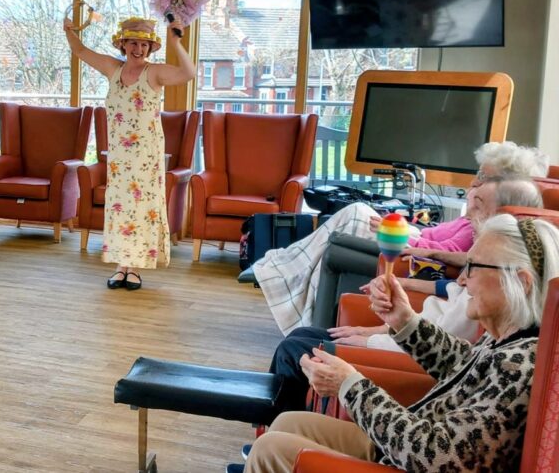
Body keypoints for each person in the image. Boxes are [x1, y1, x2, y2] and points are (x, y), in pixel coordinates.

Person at [239, 213, 558, 472]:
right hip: (405, 446)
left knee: (271, 450)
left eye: (473, 268)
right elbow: (460, 364)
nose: (461, 279)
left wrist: (350, 385)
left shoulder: (520, 366)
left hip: (416, 456)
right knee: (287, 422)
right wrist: (404, 321)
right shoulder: (514, 340)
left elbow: (438, 457)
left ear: (521, 281)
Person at [264, 177, 544, 414]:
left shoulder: (512, 365)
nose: (459, 276)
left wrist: (353, 377)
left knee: (294, 349)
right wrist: (398, 320)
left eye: (470, 267)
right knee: (300, 337)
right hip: (406, 348)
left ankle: (278, 271)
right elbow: (451, 343)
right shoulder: (493, 330)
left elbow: (429, 447)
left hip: (398, 371)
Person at [253, 141, 549, 333]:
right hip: (414, 238)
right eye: (478, 174)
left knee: (355, 212)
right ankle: (281, 269)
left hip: (411, 246)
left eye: (484, 177)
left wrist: (413, 244)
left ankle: (280, 270)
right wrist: (402, 225)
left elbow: (446, 249)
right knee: (353, 214)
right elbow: (437, 235)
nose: (475, 181)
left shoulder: (488, 232)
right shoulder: (474, 215)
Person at [63, 16, 196, 290]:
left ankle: (134, 267)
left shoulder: (155, 72)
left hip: (146, 156)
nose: (139, 49)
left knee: (140, 209)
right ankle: (120, 265)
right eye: (133, 43)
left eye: (145, 44)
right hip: (119, 158)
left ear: (150, 48)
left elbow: (188, 73)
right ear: (123, 44)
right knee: (119, 209)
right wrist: (68, 29)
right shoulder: (112, 68)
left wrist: (176, 42)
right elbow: (80, 51)